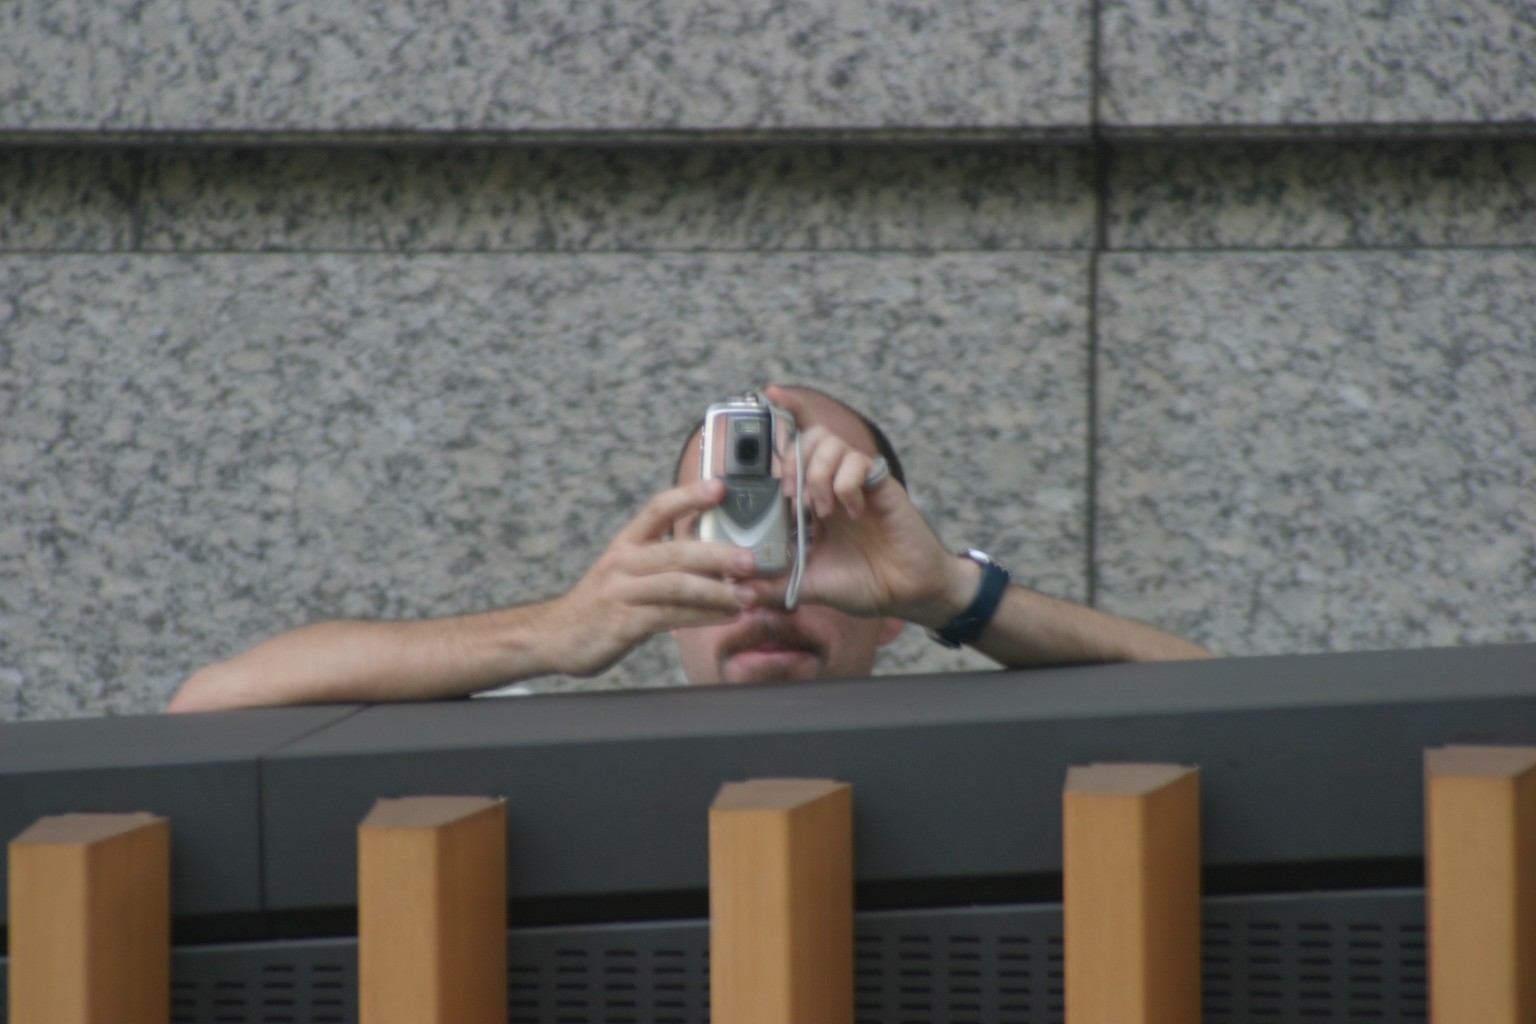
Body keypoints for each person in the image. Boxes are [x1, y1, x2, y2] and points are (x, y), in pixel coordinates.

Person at [168, 385, 1208, 712]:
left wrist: (954, 594)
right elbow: (211, 705)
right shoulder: (551, 755)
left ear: (891, 611)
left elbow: (1229, 701)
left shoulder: (984, 735)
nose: (757, 580)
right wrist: (554, 632)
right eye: (720, 534)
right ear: (659, 578)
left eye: (810, 536)